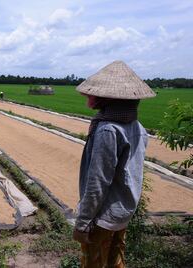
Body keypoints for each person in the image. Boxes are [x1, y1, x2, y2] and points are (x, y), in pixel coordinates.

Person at [72, 61, 156, 268]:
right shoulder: (137, 126)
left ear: (106, 99)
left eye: (93, 94)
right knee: (115, 261)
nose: (88, 96)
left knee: (93, 263)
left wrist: (83, 223)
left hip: (102, 217)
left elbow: (98, 181)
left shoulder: (107, 130)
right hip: (123, 211)